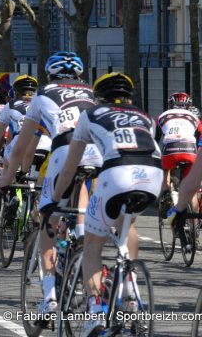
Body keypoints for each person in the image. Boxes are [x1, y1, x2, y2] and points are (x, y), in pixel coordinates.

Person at [49, 72, 162, 336]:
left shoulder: (91, 114)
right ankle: (131, 293)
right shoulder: (146, 117)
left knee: (92, 246)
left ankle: (96, 310)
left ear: (97, 97)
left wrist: (54, 202)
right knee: (126, 227)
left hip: (117, 174)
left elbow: (69, 168)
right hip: (152, 176)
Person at [0, 52, 101, 317]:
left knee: (48, 222)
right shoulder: (91, 93)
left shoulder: (42, 95)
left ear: (49, 74)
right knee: (84, 208)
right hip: (99, 154)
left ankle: (50, 297)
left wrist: (7, 177)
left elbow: (21, 146)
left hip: (66, 150)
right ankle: (80, 239)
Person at [156, 92, 201, 202]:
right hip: (190, 150)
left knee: (165, 170)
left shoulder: (163, 116)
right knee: (192, 192)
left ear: (170, 105)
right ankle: (194, 219)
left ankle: (166, 194)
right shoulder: (194, 117)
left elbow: (154, 138)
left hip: (170, 150)